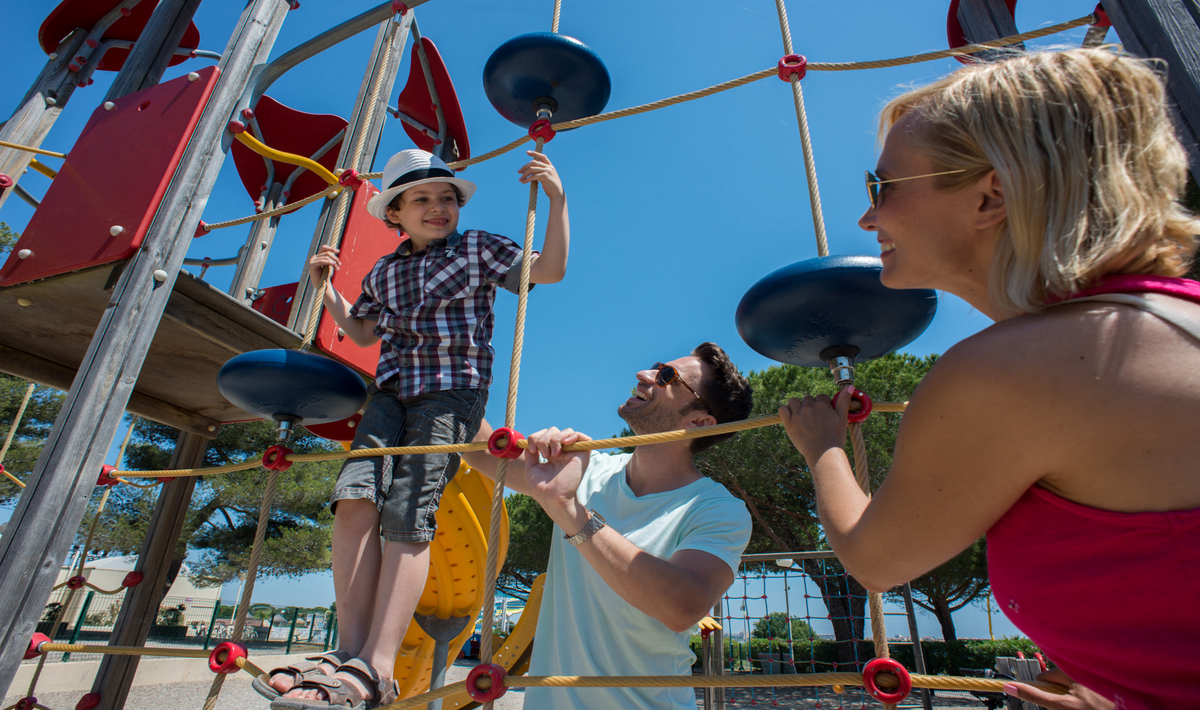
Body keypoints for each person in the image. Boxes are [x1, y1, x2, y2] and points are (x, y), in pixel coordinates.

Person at [779, 49, 1200, 710]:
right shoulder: (1179, 318)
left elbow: (875, 558)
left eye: (881, 187)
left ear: (990, 195)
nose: (868, 219)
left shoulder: (1008, 372)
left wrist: (824, 447)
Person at [263, 148, 570, 710]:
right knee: (354, 500)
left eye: (447, 197)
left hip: (451, 391)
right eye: (421, 199)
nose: (438, 207)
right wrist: (325, 287)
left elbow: (547, 272)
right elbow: (359, 334)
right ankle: (348, 654)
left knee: (409, 510)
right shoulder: (384, 272)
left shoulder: (478, 248)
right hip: (392, 392)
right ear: (394, 215)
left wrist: (556, 198)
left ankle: (379, 666)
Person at [462, 343, 754, 710]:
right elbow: (474, 449)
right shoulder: (587, 469)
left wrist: (569, 510)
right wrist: (439, 367)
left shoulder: (717, 509)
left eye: (667, 377)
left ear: (698, 422)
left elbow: (682, 608)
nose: (643, 375)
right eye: (655, 366)